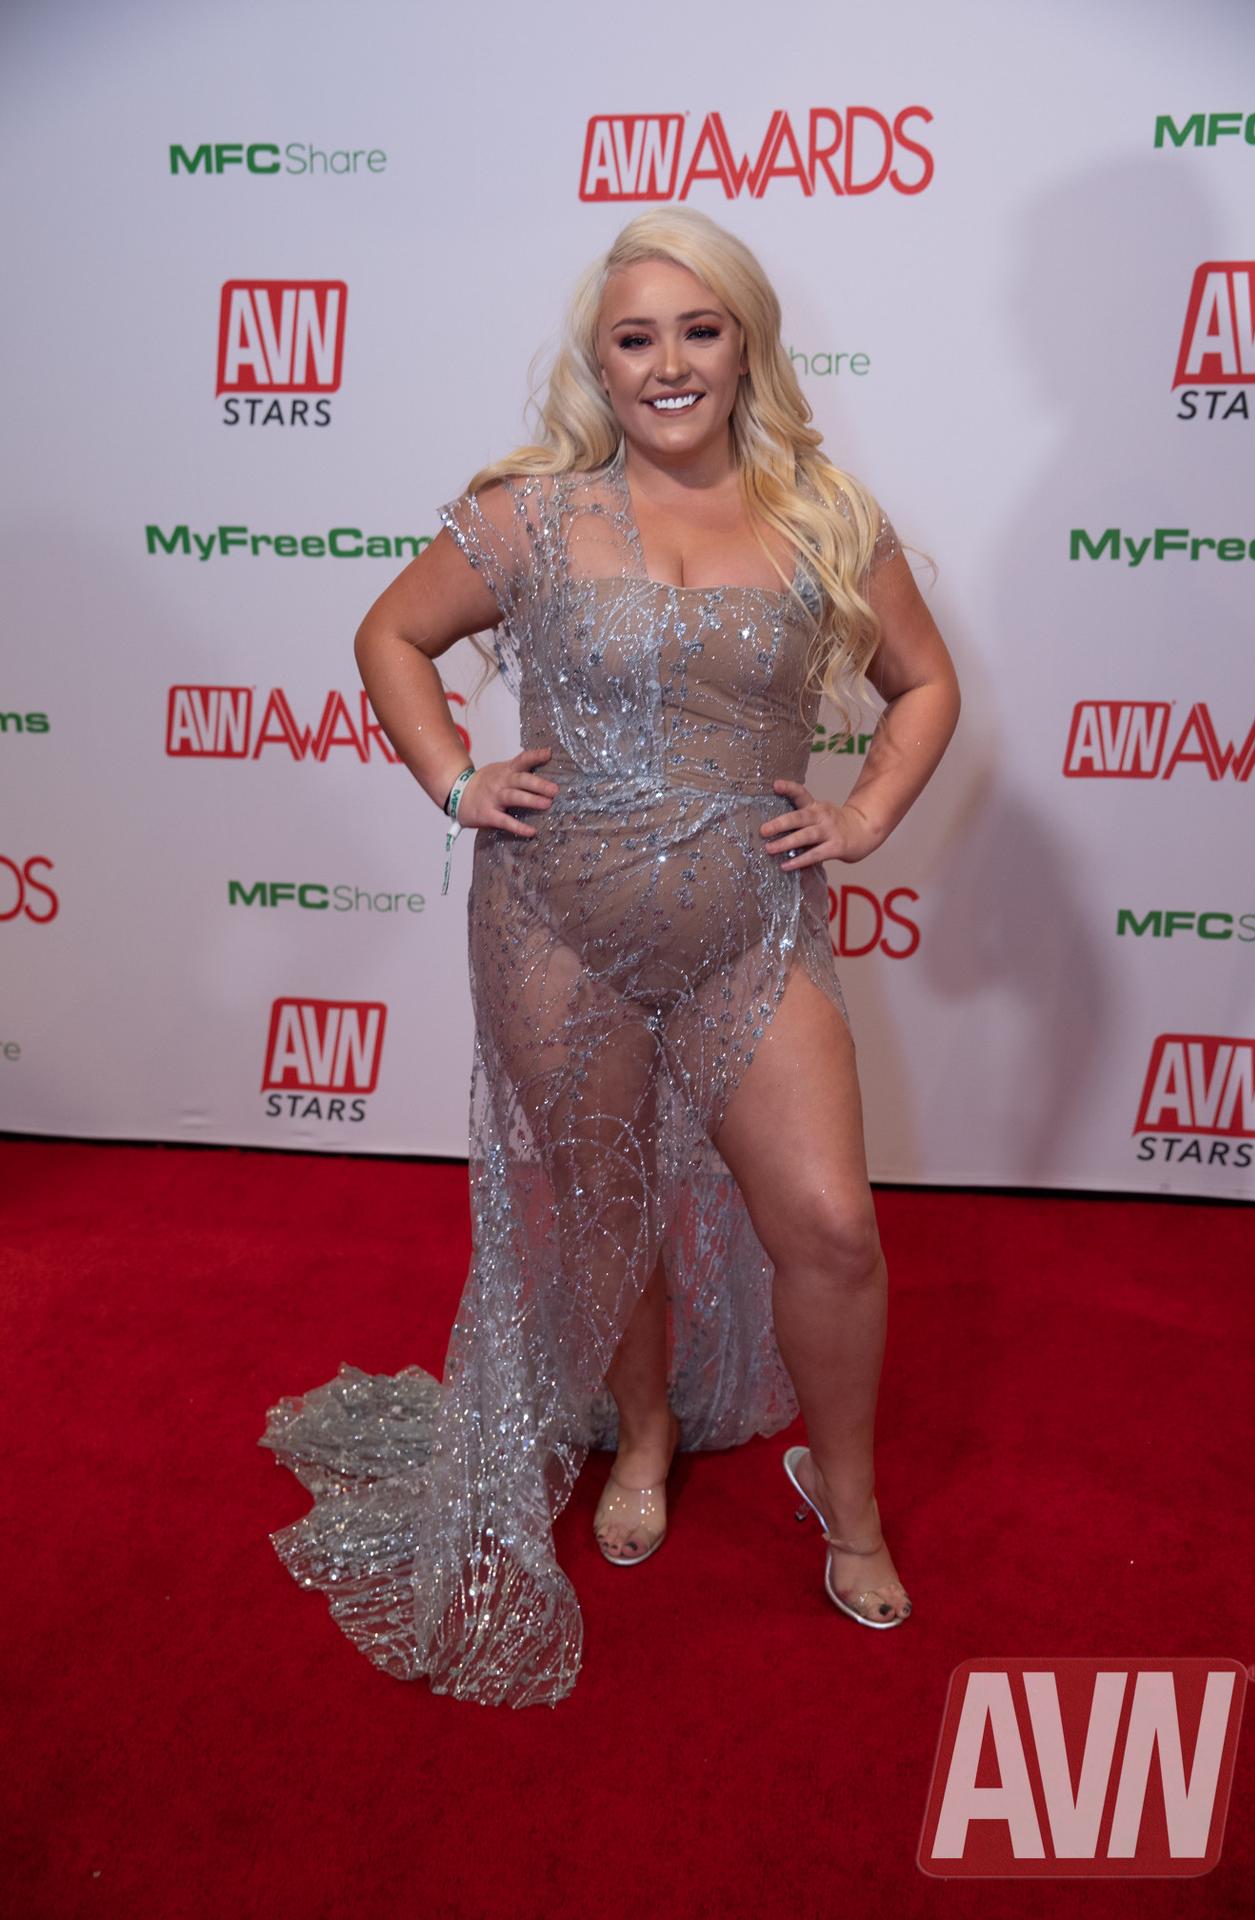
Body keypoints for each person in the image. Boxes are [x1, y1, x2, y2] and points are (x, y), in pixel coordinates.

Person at [259, 207, 960, 1708]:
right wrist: (455, 777)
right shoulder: (528, 513)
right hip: (553, 926)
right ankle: (641, 1439)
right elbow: (389, 637)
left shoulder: (829, 516)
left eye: (699, 330)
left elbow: (924, 682)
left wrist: (865, 814)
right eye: (635, 338)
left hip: (751, 927)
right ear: (601, 361)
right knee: (608, 1206)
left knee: (832, 1227)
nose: (668, 363)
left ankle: (849, 1506)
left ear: (747, 345)